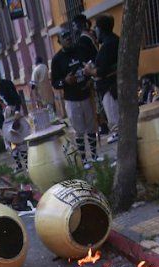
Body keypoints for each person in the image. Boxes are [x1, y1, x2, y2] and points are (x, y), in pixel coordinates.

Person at [51, 24, 100, 168]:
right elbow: (55, 83)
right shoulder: (57, 59)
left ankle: (95, 156)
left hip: (86, 94)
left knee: (91, 127)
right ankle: (84, 160)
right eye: (64, 37)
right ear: (59, 41)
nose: (67, 39)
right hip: (72, 99)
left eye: (68, 36)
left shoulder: (81, 50)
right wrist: (65, 81)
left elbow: (93, 64)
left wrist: (90, 78)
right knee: (78, 131)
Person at [0, 64, 29, 174]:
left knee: (20, 140)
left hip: (14, 116)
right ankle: (19, 165)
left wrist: (18, 111)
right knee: (11, 144)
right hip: (4, 122)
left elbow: (17, 99)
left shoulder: (8, 84)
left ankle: (27, 164)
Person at [89, 14, 120, 143]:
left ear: (101, 29)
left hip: (110, 89)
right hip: (112, 87)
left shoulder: (108, 45)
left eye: (96, 27)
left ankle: (124, 157)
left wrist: (90, 71)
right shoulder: (115, 40)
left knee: (116, 123)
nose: (94, 30)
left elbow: (102, 70)